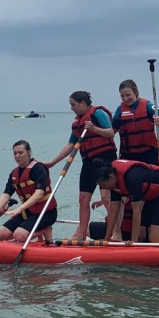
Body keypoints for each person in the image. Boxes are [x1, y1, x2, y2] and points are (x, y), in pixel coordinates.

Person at [46, 91, 116, 242]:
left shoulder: (98, 113)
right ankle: (82, 233)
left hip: (105, 158)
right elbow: (71, 144)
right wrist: (53, 162)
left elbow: (111, 133)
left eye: (73, 105)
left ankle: (115, 231)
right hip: (88, 161)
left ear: (83, 103)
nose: (72, 108)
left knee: (105, 197)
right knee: (83, 199)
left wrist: (94, 129)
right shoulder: (77, 123)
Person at [0, 140, 58, 243]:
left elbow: (39, 193)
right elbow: (6, 194)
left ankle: (45, 230)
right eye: (15, 153)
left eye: (21, 153)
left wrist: (18, 209)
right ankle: (17, 243)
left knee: (19, 235)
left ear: (29, 152)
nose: (17, 156)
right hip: (28, 212)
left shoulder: (38, 169)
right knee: (2, 233)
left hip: (46, 213)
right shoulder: (14, 173)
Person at [114, 79, 159, 165]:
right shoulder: (120, 110)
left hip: (149, 154)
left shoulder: (148, 106)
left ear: (136, 92)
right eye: (122, 96)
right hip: (129, 155)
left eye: (128, 95)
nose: (126, 99)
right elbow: (111, 132)